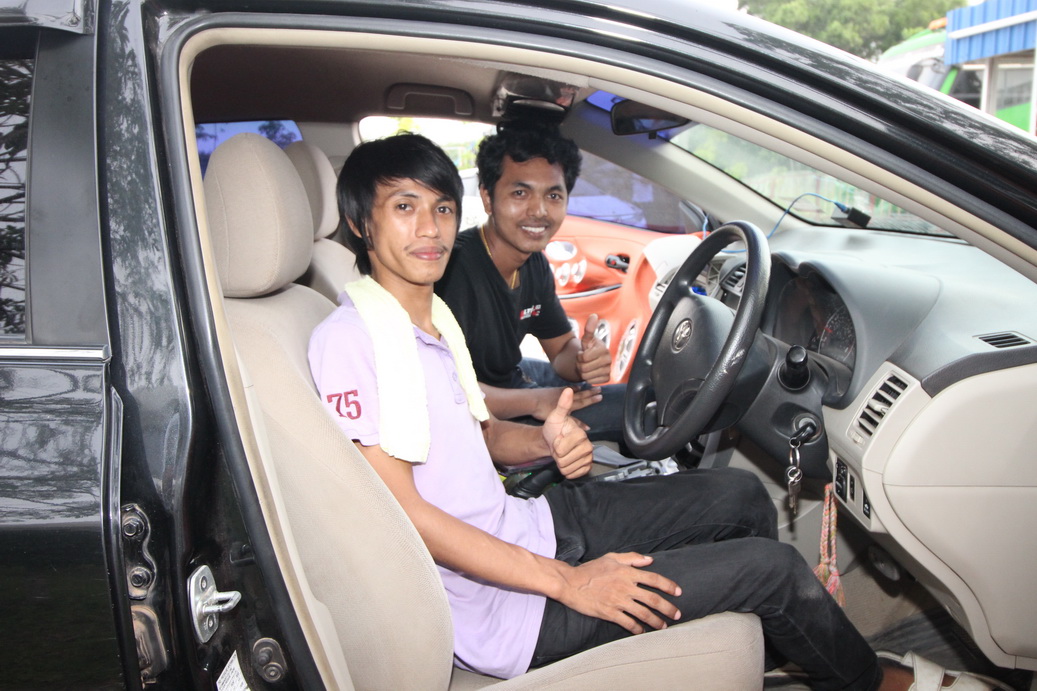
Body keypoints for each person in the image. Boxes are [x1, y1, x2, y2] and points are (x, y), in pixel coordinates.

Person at [308, 132, 995, 690]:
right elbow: (406, 515)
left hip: (528, 524)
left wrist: (548, 442)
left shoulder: (427, 323)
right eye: (404, 207)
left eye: (440, 209)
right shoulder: (352, 339)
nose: (428, 229)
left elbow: (482, 434)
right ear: (360, 221)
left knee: (736, 495)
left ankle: (773, 642)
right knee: (776, 568)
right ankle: (875, 683)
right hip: (504, 611)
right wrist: (571, 582)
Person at [435, 122, 624, 442]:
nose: (539, 211)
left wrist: (583, 360)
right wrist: (536, 401)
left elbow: (561, 349)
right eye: (520, 193)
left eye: (553, 195)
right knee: (633, 408)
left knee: (615, 396)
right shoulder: (452, 272)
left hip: (511, 380)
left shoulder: (534, 264)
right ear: (487, 198)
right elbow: (442, 388)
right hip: (478, 418)